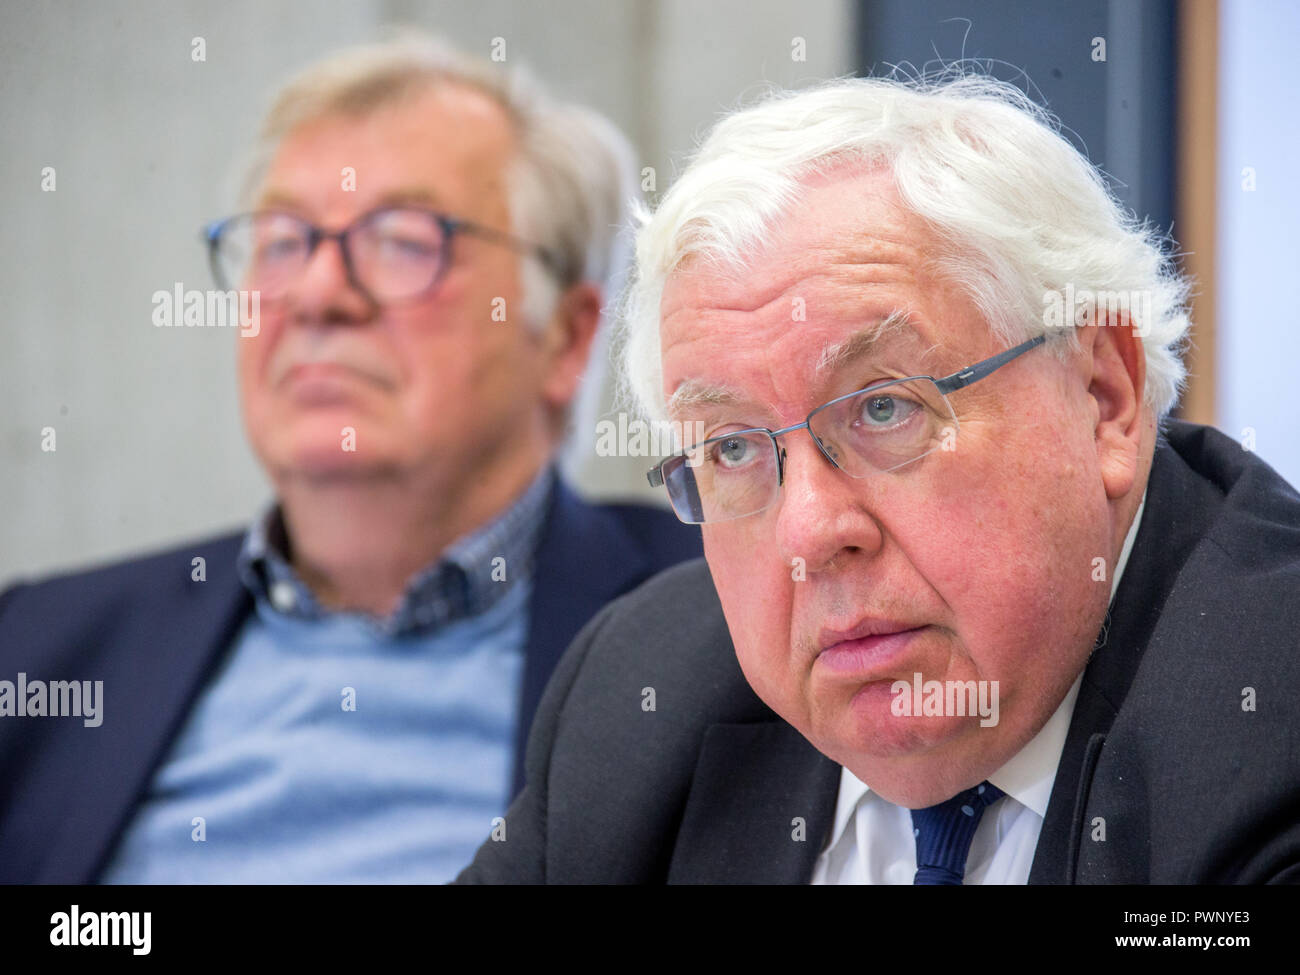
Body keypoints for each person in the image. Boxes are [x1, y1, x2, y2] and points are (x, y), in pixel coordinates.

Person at [456, 72, 1300, 884]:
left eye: (885, 410)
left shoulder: (1270, 719)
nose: (810, 533)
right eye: (736, 449)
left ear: (1103, 395)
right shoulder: (639, 701)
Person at [0, 33, 700, 883]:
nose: (319, 296)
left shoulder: (721, 615)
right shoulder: (39, 651)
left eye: (404, 241)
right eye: (284, 242)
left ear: (566, 334)